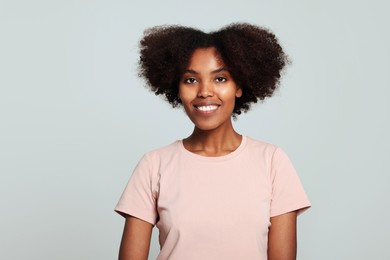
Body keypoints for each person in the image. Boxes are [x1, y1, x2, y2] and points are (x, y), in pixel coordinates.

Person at [115, 23, 311, 260]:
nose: (205, 91)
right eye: (190, 80)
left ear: (238, 86)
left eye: (220, 78)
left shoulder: (272, 162)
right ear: (176, 88)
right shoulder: (154, 165)